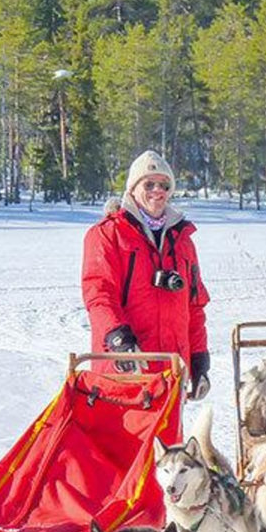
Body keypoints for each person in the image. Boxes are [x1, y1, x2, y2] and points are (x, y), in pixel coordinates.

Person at [81, 149, 210, 399]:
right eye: (148, 183)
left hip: (170, 371)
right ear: (132, 188)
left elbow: (194, 306)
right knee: (125, 437)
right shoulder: (107, 234)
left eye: (163, 185)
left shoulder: (182, 240)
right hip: (125, 369)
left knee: (168, 439)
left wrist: (198, 359)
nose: (157, 190)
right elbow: (99, 295)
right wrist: (117, 338)